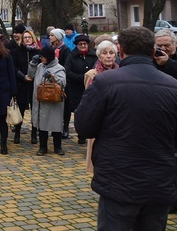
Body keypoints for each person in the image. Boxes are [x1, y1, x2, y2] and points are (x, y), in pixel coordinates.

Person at [75, 26, 177, 230]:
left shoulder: (105, 83)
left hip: (118, 180)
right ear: (152, 51)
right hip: (158, 179)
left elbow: (84, 127)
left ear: (120, 50)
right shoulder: (173, 86)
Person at [83, 40, 119, 174]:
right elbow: (89, 100)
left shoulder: (121, 73)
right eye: (105, 53)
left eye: (111, 53)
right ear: (99, 56)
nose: (109, 56)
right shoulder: (91, 75)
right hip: (99, 120)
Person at [27, 46, 66, 156]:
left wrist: (51, 77)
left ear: (48, 58)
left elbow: (63, 82)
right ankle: (42, 147)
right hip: (41, 100)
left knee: (56, 124)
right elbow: (30, 75)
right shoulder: (40, 66)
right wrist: (33, 64)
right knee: (42, 124)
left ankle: (57, 147)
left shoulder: (59, 68)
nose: (41, 58)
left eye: (42, 57)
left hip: (54, 101)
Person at [64, 34, 97, 144]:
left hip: (91, 88)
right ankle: (80, 134)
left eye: (84, 44)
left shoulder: (93, 56)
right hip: (76, 88)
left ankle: (87, 132)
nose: (82, 46)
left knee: (90, 111)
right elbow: (67, 71)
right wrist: (83, 78)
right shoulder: (72, 56)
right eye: (80, 44)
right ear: (77, 45)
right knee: (78, 112)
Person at [10, 30, 39, 144]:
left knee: (35, 111)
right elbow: (14, 67)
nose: (27, 39)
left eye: (29, 37)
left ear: (33, 39)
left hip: (34, 85)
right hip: (21, 84)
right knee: (20, 110)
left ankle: (34, 134)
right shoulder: (16, 52)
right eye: (25, 37)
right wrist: (23, 76)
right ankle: (17, 133)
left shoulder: (38, 52)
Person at [48, 28, 72, 138]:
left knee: (65, 105)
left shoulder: (65, 49)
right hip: (50, 81)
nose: (50, 37)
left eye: (52, 36)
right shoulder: (49, 49)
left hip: (62, 80)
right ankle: (54, 127)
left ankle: (65, 127)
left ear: (57, 37)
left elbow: (66, 65)